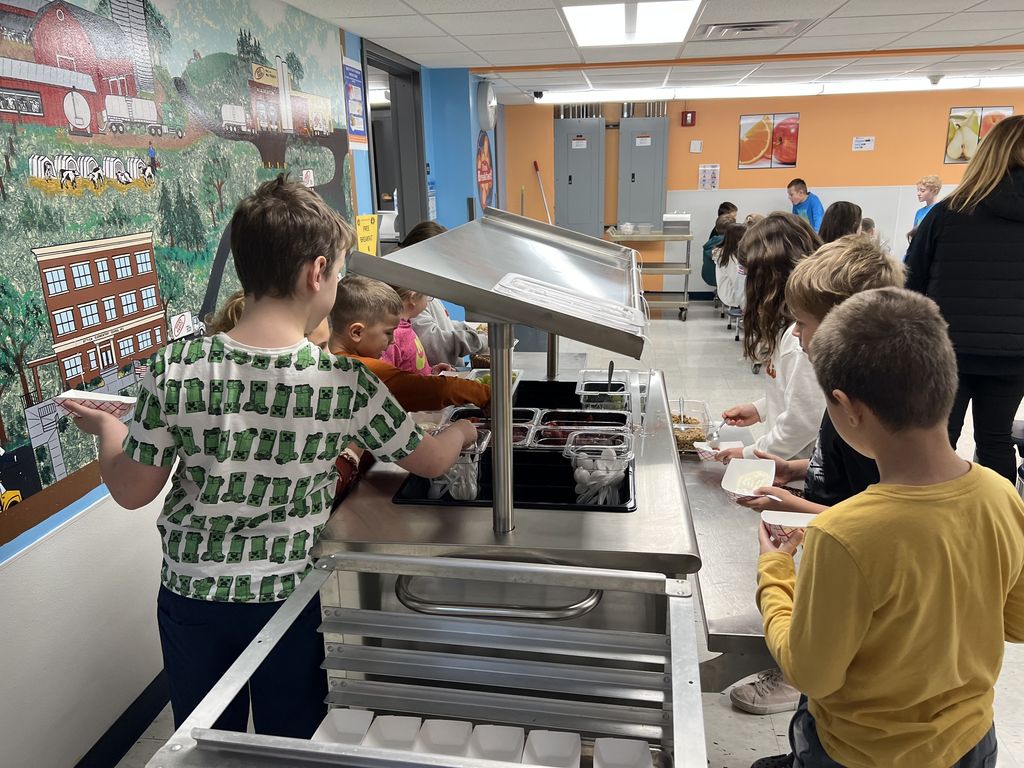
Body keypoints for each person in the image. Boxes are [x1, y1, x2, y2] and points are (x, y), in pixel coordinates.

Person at [63, 175, 478, 737]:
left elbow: (134, 490)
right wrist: (463, 433)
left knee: (208, 738)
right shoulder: (343, 380)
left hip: (195, 592)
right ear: (317, 272)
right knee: (293, 735)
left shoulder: (178, 366)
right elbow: (429, 462)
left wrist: (108, 432)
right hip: (286, 595)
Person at [753, 287, 1024, 768]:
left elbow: (813, 673)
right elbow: (1017, 622)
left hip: (862, 753)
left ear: (847, 406)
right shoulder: (1001, 494)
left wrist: (775, 571)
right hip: (970, 742)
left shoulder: (845, 533)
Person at [736, 235, 905, 519]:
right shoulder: (840, 387)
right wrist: (795, 469)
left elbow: (874, 518)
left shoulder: (867, 411)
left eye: (802, 323)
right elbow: (833, 463)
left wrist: (797, 508)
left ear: (839, 326)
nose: (796, 332)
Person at [906, 115, 1024, 483]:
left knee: (938, 440)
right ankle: (996, 526)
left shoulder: (948, 212)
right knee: (995, 440)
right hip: (1015, 356)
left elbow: (910, 282)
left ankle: (929, 527)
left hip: (947, 350)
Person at [716, 213, 826, 465]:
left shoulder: (799, 340)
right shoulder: (790, 325)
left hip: (798, 468)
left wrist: (748, 454)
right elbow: (799, 395)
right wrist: (760, 409)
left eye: (748, 274)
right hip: (789, 461)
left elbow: (803, 422)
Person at [330, 275, 490, 412]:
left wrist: (431, 373)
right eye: (387, 333)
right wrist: (485, 394)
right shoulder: (361, 371)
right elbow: (422, 388)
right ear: (357, 332)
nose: (392, 340)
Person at [402, 222, 488, 367]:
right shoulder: (410, 294)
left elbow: (439, 324)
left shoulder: (422, 285)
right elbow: (434, 345)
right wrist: (481, 341)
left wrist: (465, 328)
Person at [380, 286, 451, 376]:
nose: (428, 300)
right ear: (413, 298)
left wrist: (431, 371)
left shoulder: (406, 327)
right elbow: (387, 378)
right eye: (427, 297)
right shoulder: (394, 334)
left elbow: (410, 367)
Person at [714, 222, 746, 310]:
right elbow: (737, 280)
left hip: (729, 291)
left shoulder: (726, 253)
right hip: (731, 294)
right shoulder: (730, 258)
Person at [702, 212, 736, 290]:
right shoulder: (730, 243)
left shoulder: (710, 243)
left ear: (716, 229)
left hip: (707, 276)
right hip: (721, 278)